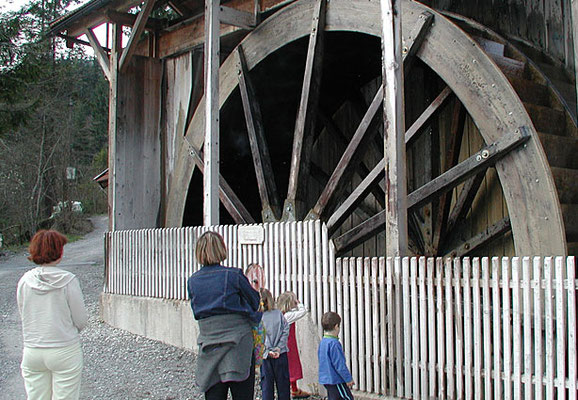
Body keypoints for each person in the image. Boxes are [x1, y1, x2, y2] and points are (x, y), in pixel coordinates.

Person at [187, 231, 262, 400]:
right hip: (239, 344)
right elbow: (254, 301)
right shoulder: (234, 275)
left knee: (214, 394)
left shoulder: (193, 281)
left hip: (209, 343)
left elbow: (197, 311)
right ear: (222, 249)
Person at [17, 230, 88, 400]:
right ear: (59, 252)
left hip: (33, 350)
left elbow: (24, 314)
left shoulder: (25, 281)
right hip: (64, 348)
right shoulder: (68, 281)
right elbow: (80, 320)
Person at [277, 291, 310, 398]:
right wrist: (299, 304)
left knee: (289, 366)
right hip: (289, 344)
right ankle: (292, 390)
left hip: (283, 343)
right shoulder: (288, 316)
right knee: (292, 366)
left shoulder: (279, 314)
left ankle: (294, 389)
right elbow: (303, 311)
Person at [259, 288, 290, 400]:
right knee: (283, 385)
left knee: (267, 386)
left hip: (266, 356)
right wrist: (279, 347)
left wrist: (268, 350)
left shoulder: (258, 317)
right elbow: (285, 329)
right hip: (281, 353)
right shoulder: (278, 314)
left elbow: (261, 336)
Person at [318, 312, 354, 400]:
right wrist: (348, 379)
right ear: (336, 326)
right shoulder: (334, 344)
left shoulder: (323, 342)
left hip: (325, 378)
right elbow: (340, 365)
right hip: (335, 379)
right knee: (347, 398)